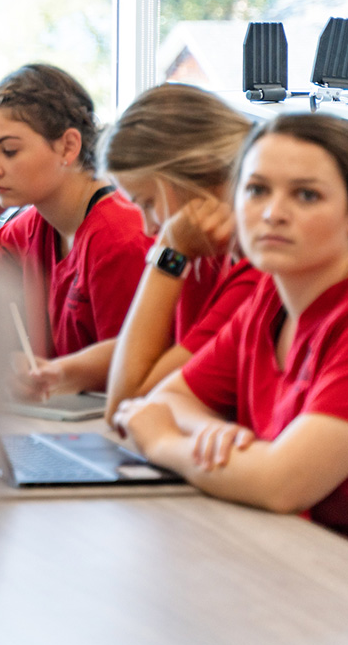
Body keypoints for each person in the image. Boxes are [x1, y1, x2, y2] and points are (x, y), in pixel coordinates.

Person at [115, 114, 348, 547]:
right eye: (256, 190)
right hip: (289, 552)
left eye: (306, 195)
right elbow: (167, 398)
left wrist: (163, 444)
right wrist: (209, 433)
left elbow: (281, 484)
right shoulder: (270, 296)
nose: (273, 213)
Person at [0, 63, 151, 397]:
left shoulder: (119, 237)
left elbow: (134, 375)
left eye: (9, 150)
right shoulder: (33, 224)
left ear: (68, 147)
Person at [100, 84, 262, 421]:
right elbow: (161, 351)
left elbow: (126, 407)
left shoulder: (257, 276)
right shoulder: (212, 252)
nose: (148, 228)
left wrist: (168, 254)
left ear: (196, 173)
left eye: (148, 203)